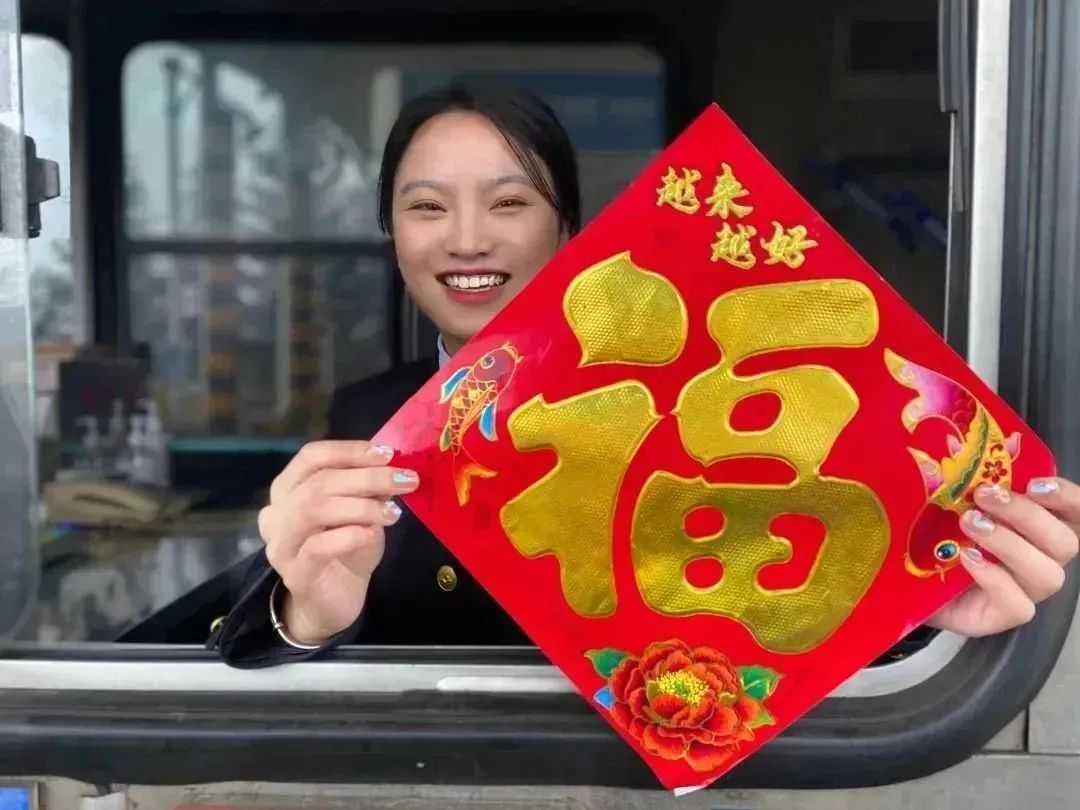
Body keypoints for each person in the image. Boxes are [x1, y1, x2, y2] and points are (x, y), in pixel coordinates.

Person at [213, 80, 1080, 668]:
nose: (467, 240)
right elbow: (293, 662)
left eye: (510, 202)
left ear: (568, 227)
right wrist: (309, 616)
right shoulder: (365, 417)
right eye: (427, 207)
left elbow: (771, 610)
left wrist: (920, 620)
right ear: (393, 234)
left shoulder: (699, 402)